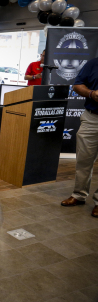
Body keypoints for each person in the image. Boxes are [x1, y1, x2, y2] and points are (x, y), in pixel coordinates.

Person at [60, 57, 98, 218]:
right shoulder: (94, 63)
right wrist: (91, 93)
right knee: (83, 160)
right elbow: (77, 85)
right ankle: (79, 195)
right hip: (92, 117)